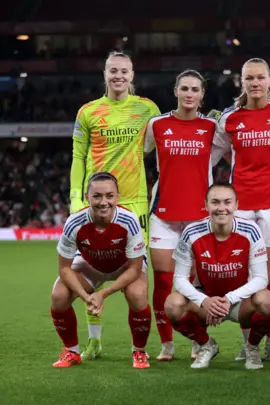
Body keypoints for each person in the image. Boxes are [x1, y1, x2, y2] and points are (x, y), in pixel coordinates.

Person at [69, 51, 160, 360]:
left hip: (134, 202)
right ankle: (94, 340)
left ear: (132, 75)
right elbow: (78, 158)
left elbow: (161, 149)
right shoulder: (88, 112)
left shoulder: (147, 109)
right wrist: (76, 199)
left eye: (124, 70)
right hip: (96, 204)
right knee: (92, 264)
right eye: (113, 70)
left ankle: (139, 349)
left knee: (136, 277)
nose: (118, 75)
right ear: (105, 74)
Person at [214, 58, 270, 361]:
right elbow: (218, 152)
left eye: (260, 77)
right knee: (245, 277)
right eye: (249, 78)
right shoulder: (229, 118)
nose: (255, 83)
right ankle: (248, 342)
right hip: (240, 206)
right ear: (242, 81)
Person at [143, 70, 221, 361]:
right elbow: (140, 155)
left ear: (202, 95)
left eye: (195, 89)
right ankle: (166, 345)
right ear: (175, 91)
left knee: (196, 284)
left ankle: (197, 340)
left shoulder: (212, 126)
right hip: (164, 213)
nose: (189, 94)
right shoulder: (158, 124)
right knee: (164, 281)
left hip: (201, 217)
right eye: (184, 88)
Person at [164, 184, 270, 370]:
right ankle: (207, 345)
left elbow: (261, 279)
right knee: (172, 304)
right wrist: (204, 301)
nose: (221, 208)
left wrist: (228, 299)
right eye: (215, 202)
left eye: (227, 202)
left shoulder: (251, 230)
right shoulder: (191, 232)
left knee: (267, 301)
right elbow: (179, 279)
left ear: (236, 205)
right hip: (205, 301)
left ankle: (251, 347)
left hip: (240, 302)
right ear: (206, 205)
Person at [51, 172, 151, 369]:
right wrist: (86, 296)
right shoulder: (74, 222)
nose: (103, 202)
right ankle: (72, 351)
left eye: (109, 196)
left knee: (137, 293)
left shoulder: (129, 221)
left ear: (118, 197)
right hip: (90, 265)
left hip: (124, 266)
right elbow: (64, 268)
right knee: (58, 294)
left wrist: (102, 294)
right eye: (97, 196)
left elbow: (134, 268)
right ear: (87, 198)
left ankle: (139, 351)